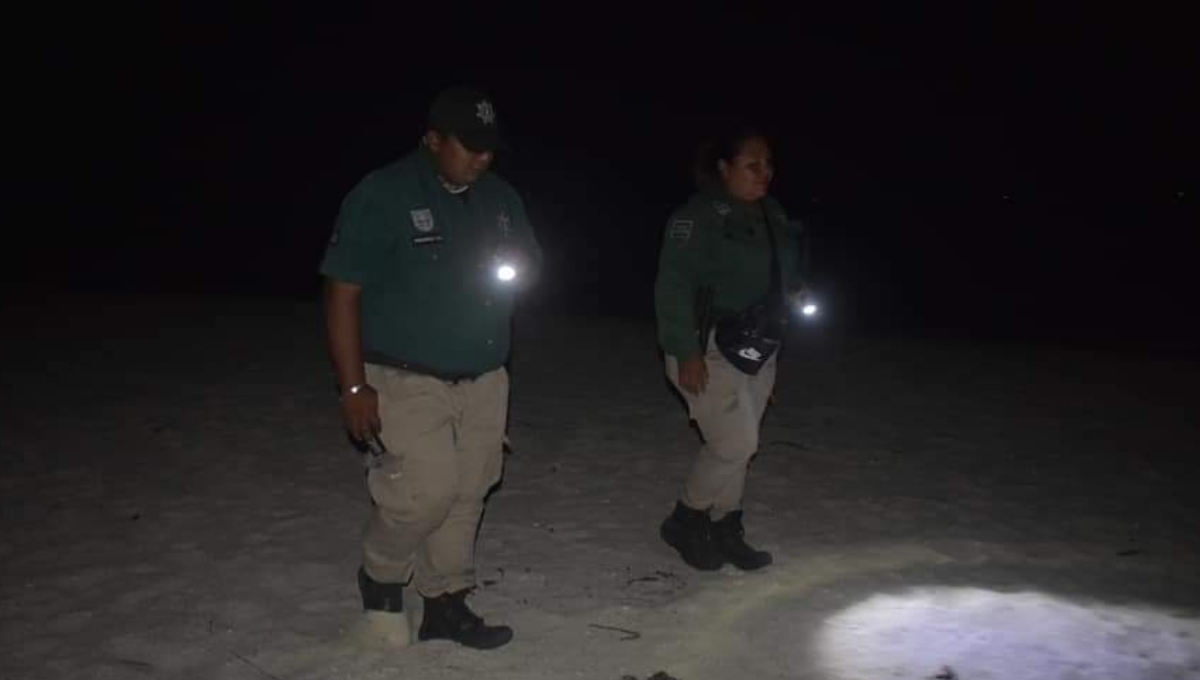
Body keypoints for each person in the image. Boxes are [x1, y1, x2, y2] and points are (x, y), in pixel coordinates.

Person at [318, 85, 541, 649]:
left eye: (490, 148)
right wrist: (352, 385)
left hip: (486, 375)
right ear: (433, 138)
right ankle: (381, 578)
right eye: (469, 146)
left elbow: (527, 270)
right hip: (403, 372)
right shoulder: (384, 192)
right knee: (425, 492)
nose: (482, 158)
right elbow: (342, 290)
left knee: (471, 489)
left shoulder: (502, 200)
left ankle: (445, 600)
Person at [653, 127, 807, 572]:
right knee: (736, 441)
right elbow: (673, 285)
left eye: (769, 164)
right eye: (752, 165)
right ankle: (685, 518)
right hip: (707, 343)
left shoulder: (771, 213)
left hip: (759, 346)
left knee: (740, 443)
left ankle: (725, 525)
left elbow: (782, 269)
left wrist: (794, 290)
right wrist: (685, 350)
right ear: (724, 168)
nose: (765, 174)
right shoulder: (698, 217)